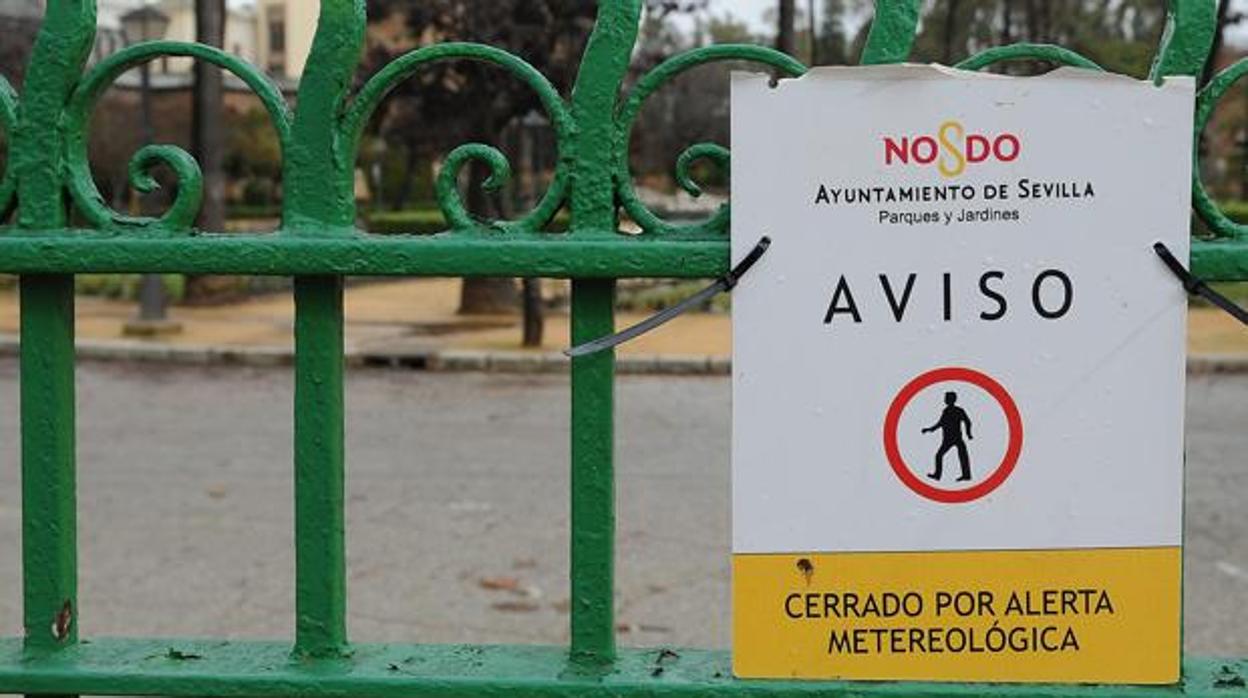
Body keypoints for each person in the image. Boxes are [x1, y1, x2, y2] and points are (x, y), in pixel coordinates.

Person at [921, 391, 973, 481]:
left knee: (961, 455)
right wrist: (929, 429)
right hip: (948, 439)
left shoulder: (958, 410)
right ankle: (938, 475)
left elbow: (967, 421)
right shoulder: (946, 411)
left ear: (951, 399)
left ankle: (966, 475)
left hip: (955, 438)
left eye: (946, 398)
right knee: (940, 455)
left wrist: (968, 433)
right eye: (945, 398)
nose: (945, 399)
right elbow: (940, 423)